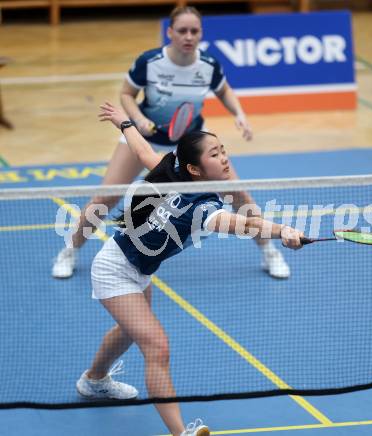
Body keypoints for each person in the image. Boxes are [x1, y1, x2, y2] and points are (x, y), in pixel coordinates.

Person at [75, 102, 304, 436]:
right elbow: (242, 224)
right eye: (214, 154)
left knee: (128, 331)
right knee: (157, 346)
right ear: (196, 169)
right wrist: (283, 230)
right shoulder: (202, 208)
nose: (225, 158)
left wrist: (124, 123)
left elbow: (144, 153)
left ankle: (93, 380)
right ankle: (180, 433)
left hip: (136, 267)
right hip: (114, 268)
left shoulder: (176, 175)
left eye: (223, 150)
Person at [52, 5, 290, 280]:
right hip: (144, 137)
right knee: (106, 196)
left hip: (191, 143)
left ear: (201, 33)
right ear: (170, 33)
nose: (188, 36)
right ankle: (70, 249)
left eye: (194, 31)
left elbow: (224, 90)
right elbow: (127, 94)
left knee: (238, 195)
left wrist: (238, 113)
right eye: (182, 31)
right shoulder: (150, 62)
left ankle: (268, 249)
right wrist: (138, 119)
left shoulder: (208, 65)